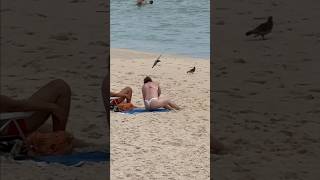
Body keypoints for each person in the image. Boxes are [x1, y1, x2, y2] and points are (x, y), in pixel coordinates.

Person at [0, 79, 71, 136]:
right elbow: (16, 106)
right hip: (12, 126)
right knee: (61, 87)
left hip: (6, 122)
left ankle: (59, 139)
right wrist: (52, 107)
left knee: (47, 128)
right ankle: (58, 141)